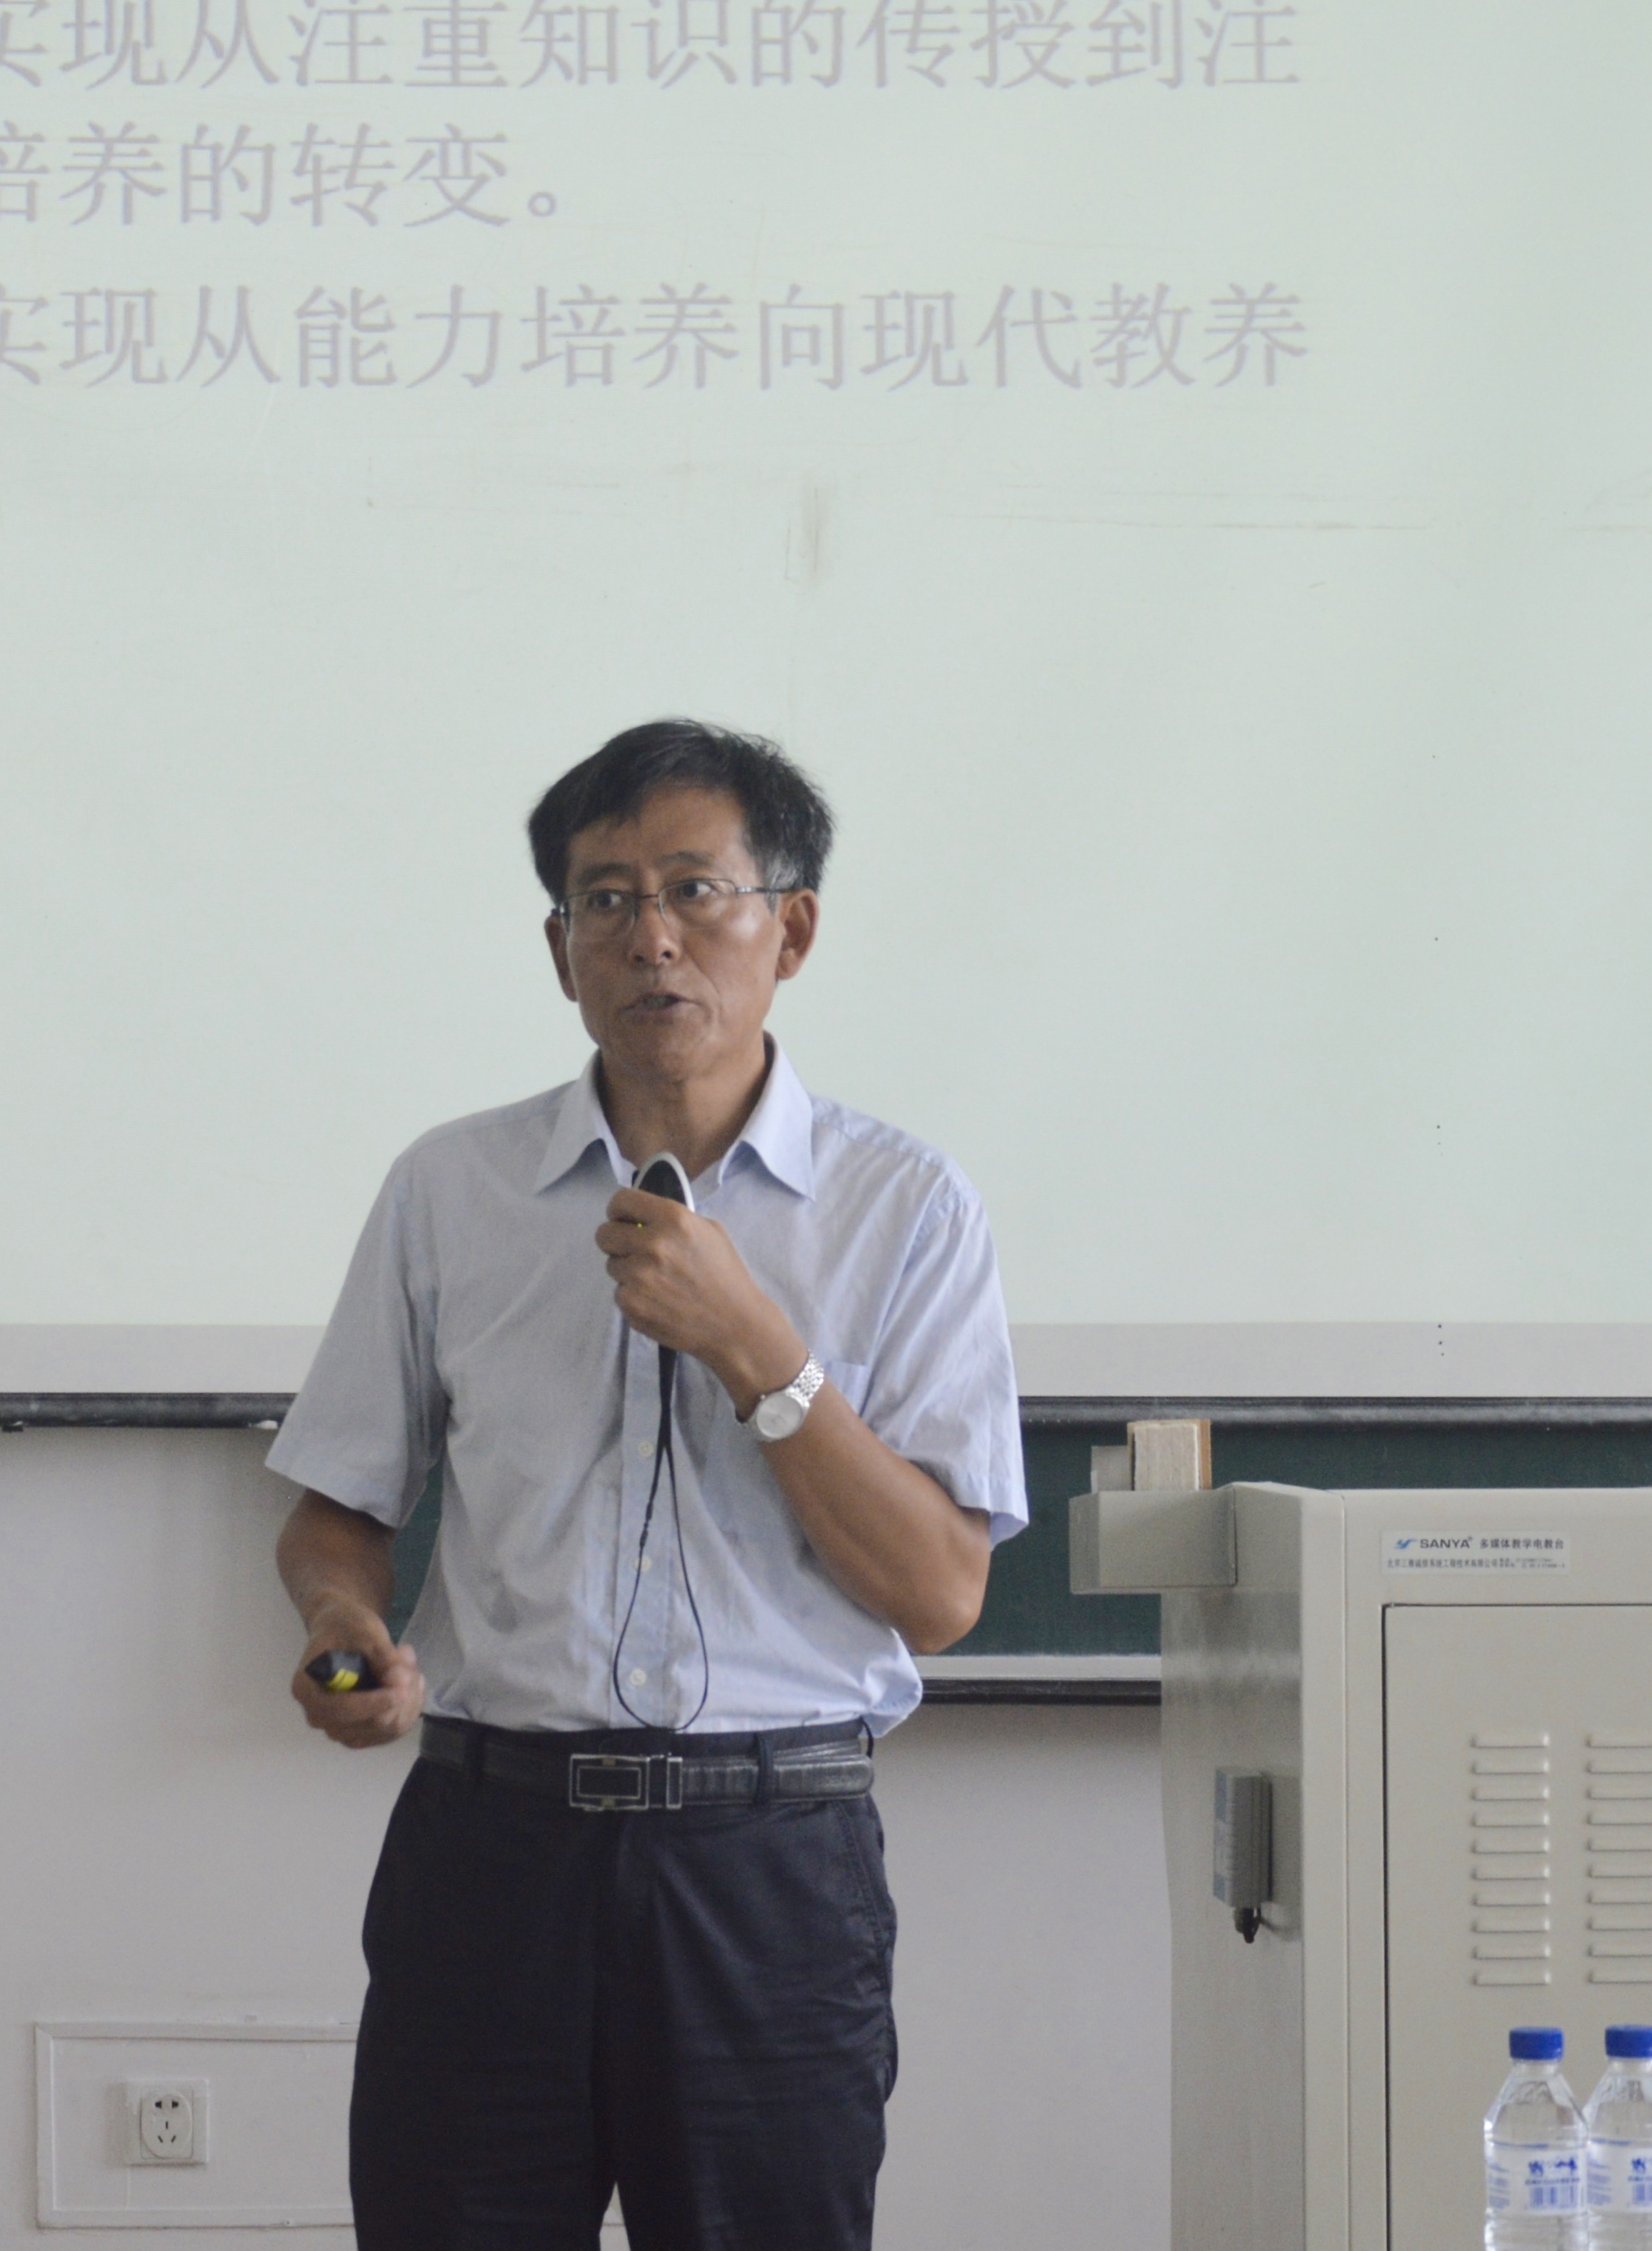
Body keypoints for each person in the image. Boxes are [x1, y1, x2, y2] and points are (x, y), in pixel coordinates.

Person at [264, 717, 1026, 2251]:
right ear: (560, 951)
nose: (650, 936)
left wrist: (756, 1345)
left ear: (790, 930)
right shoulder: (450, 1189)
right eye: (604, 899)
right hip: (491, 1850)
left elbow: (941, 1592)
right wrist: (345, 1624)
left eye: (695, 889)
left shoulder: (906, 1208)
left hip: (768, 1862)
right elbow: (336, 1509)